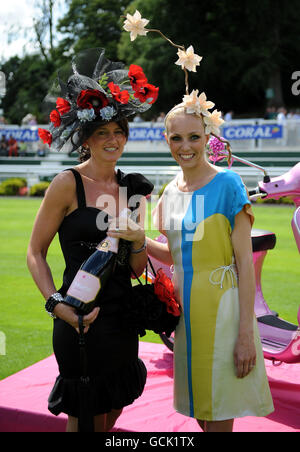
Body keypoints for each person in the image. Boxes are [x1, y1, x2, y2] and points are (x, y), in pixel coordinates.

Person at [27, 48, 159, 432]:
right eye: (103, 133)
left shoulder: (133, 187)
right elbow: (35, 252)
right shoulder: (66, 184)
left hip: (120, 317)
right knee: (84, 416)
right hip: (78, 316)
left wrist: (137, 238)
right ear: (86, 138)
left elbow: (136, 268)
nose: (114, 140)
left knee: (113, 408)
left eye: (120, 132)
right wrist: (56, 304)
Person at [147, 102, 274, 432]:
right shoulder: (170, 192)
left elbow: (245, 264)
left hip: (224, 313)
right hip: (186, 318)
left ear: (207, 137)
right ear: (166, 140)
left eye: (193, 136)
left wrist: (246, 334)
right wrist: (138, 238)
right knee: (202, 408)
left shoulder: (228, 184)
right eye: (176, 138)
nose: (185, 146)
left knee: (219, 409)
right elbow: (174, 255)